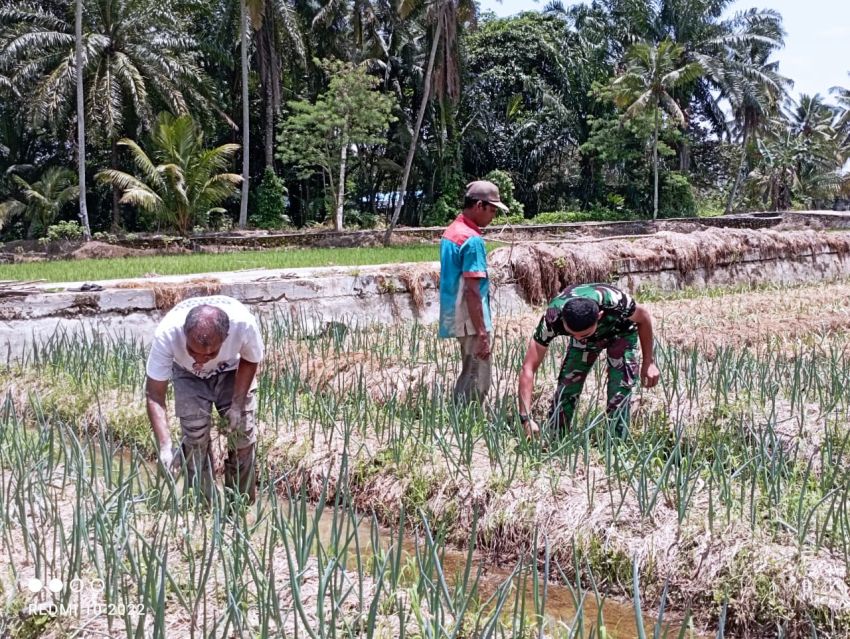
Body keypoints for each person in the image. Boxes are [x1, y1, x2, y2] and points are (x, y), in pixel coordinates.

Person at [145, 295, 264, 503]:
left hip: (231, 370)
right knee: (194, 436)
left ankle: (240, 507)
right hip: (187, 374)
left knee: (242, 433)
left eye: (210, 354)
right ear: (184, 335)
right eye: (193, 351)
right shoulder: (167, 333)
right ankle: (204, 506)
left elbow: (250, 359)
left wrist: (236, 405)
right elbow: (154, 394)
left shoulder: (243, 324)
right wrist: (164, 446)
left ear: (226, 337)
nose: (200, 360)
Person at [517, 283, 659, 437]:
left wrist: (649, 362)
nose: (577, 338)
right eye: (572, 334)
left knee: (620, 391)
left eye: (583, 334)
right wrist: (525, 418)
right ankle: (556, 438)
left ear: (599, 316)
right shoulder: (553, 317)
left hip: (621, 333)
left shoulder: (615, 302)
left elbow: (644, 317)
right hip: (586, 345)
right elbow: (528, 368)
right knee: (567, 387)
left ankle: (616, 446)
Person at [438, 180, 507, 403]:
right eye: (493, 210)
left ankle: (461, 417)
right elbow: (473, 291)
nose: (493, 217)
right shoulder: (472, 239)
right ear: (479, 206)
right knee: (478, 373)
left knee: (468, 366)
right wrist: (482, 332)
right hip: (470, 316)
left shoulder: (451, 232)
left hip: (456, 313)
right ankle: (467, 421)